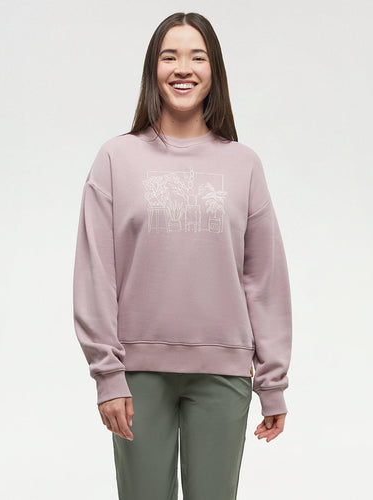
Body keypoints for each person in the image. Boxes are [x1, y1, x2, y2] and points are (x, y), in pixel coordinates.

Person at [72, 11, 292, 500]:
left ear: (215, 71)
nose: (183, 68)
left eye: (198, 57)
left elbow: (264, 278)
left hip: (223, 373)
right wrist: (108, 375)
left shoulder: (243, 164)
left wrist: (272, 381)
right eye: (169, 56)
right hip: (137, 375)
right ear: (153, 69)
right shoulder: (116, 158)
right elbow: (96, 273)